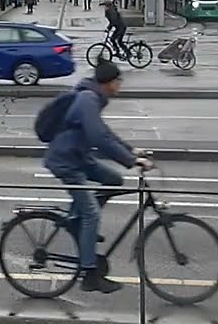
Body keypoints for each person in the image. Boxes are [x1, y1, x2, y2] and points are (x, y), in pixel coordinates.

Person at [43, 60, 152, 293]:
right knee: (92, 213)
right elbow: (98, 138)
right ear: (109, 82)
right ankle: (90, 275)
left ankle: (77, 221)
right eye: (118, 80)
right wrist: (131, 161)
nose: (120, 84)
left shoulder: (93, 97)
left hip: (79, 157)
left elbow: (104, 133)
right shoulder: (88, 99)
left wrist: (130, 150)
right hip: (67, 161)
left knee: (114, 180)